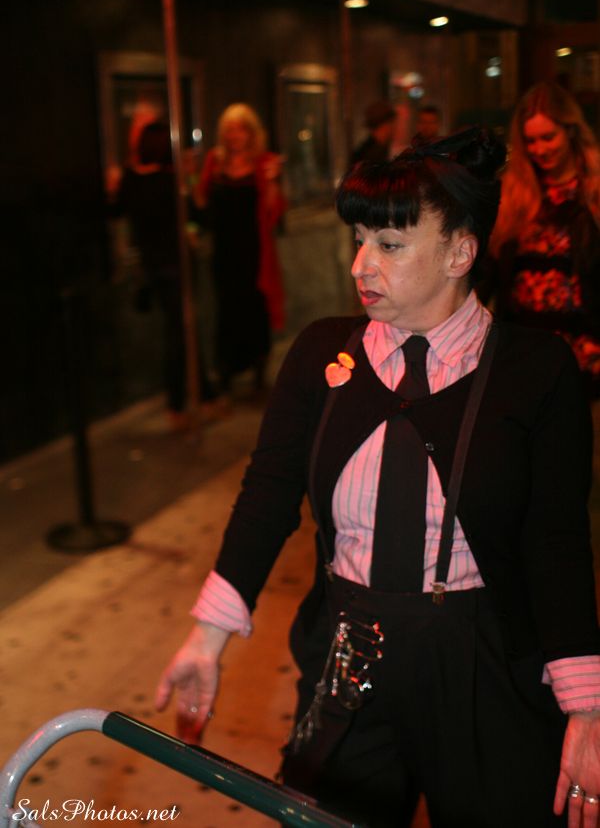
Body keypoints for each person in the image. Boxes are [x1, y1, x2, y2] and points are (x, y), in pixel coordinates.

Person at [156, 127, 600, 827]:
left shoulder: (535, 371)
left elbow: (556, 542)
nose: (361, 264)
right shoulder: (319, 355)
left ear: (459, 253)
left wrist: (586, 707)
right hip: (346, 652)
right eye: (359, 240)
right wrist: (207, 638)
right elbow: (267, 495)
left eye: (389, 245)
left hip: (478, 660)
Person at [485, 81, 600, 395]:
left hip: (585, 352)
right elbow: (491, 272)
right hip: (524, 349)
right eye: (531, 141)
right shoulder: (514, 192)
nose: (540, 150)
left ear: (570, 130)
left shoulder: (593, 191)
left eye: (548, 137)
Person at [193, 103, 286, 395]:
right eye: (229, 130)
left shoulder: (263, 162)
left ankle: (258, 372)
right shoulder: (214, 161)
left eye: (240, 130)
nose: (234, 136)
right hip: (223, 251)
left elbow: (273, 213)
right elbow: (200, 202)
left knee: (255, 309)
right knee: (226, 310)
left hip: (254, 251)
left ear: (251, 133)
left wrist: (272, 182)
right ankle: (227, 372)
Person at [111, 121, 188, 429]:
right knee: (179, 332)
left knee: (181, 329)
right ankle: (177, 402)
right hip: (174, 263)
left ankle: (203, 395)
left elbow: (116, 211)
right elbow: (191, 216)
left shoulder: (130, 180)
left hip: (151, 265)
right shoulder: (170, 181)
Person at [349, 100, 397, 166]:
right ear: (384, 125)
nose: (394, 128)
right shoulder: (373, 154)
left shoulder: (371, 148)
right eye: (391, 123)